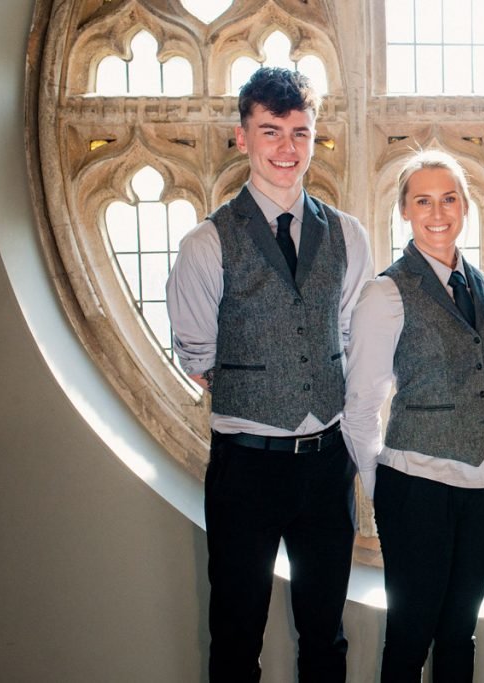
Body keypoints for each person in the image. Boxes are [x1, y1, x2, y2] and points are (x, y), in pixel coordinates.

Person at [166, 66, 373, 682]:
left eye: (301, 133)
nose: (287, 149)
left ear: (315, 138)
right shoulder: (207, 243)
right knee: (235, 635)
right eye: (272, 131)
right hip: (245, 466)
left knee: (325, 637)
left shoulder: (349, 234)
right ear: (243, 137)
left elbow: (347, 334)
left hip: (324, 462)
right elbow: (197, 353)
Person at [342, 150, 484, 682]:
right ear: (405, 212)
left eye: (450, 198)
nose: (439, 212)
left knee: (460, 635)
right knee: (410, 638)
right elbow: (361, 407)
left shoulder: (479, 284)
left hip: (482, 486)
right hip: (417, 488)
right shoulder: (385, 293)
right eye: (424, 200)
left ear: (465, 207)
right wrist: (383, 488)